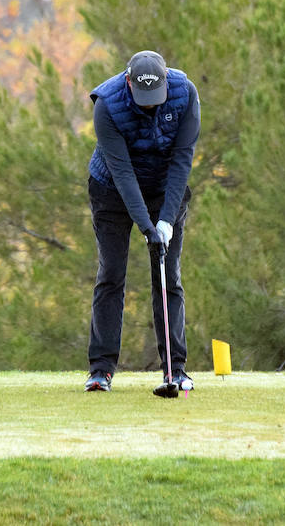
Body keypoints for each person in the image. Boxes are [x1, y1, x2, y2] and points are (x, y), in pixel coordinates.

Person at [84, 49, 200, 396]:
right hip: (112, 190)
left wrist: (166, 221)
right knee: (111, 275)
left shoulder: (185, 93)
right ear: (128, 81)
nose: (149, 106)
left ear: (166, 81)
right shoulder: (107, 104)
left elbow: (182, 161)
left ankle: (175, 369)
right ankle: (101, 370)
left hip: (165, 189)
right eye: (142, 98)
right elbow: (122, 172)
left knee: (168, 277)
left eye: (155, 98)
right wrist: (148, 229)